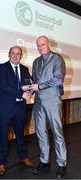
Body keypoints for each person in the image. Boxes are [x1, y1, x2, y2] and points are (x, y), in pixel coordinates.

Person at [30, 35, 67, 178]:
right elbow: (34, 81)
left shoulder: (57, 59)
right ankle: (44, 161)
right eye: (38, 46)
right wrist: (30, 89)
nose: (40, 48)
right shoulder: (36, 61)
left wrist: (39, 86)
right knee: (41, 133)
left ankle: (62, 164)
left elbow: (58, 79)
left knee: (58, 133)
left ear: (49, 44)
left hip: (52, 100)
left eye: (42, 45)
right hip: (38, 102)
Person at [0, 45, 33, 176]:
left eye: (18, 54)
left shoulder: (24, 69)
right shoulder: (2, 67)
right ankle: (1, 163)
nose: (15, 56)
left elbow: (30, 83)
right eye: (13, 53)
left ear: (21, 56)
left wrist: (31, 91)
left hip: (20, 108)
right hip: (5, 107)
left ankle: (23, 157)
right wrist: (21, 94)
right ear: (9, 54)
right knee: (3, 136)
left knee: (21, 134)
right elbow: (4, 86)